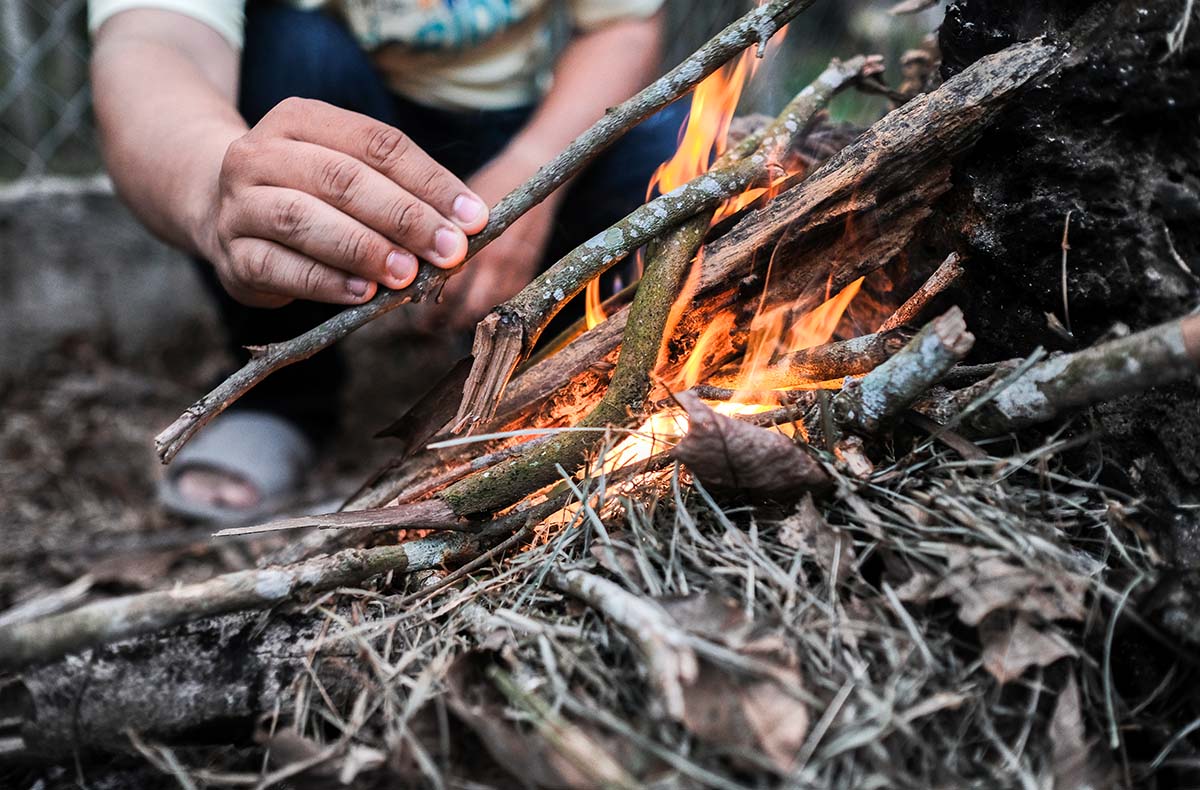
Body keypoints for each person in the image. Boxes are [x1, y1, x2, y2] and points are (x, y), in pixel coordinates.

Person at [88, 0, 688, 522]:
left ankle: (561, 373)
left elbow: (624, 25)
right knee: (291, 49)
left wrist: (537, 170)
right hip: (336, 104)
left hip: (523, 121)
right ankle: (282, 394)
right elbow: (155, 40)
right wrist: (219, 196)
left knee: (673, 145)